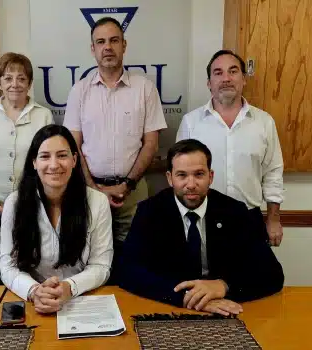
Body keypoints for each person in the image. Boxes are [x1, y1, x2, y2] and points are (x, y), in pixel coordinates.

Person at [118, 139, 284, 316]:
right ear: (170, 178)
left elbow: (272, 273)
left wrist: (224, 285)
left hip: (225, 310)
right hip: (169, 309)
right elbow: (128, 271)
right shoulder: (150, 212)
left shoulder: (234, 211)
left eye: (199, 174)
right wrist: (187, 297)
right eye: (182, 175)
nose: (190, 184)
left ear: (210, 177)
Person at [63, 17, 167, 271]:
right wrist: (94, 188)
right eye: (100, 42)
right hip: (89, 191)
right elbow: (72, 146)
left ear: (124, 45)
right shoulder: (79, 91)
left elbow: (151, 144)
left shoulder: (144, 89)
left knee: (135, 261)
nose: (107, 47)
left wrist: (127, 185)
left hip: (134, 193)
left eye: (113, 40)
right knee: (89, 261)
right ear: (93, 49)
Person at [0, 125, 113, 313]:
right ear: (34, 162)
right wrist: (35, 291)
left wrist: (69, 287)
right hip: (32, 302)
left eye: (62, 155)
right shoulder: (14, 203)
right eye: (45, 156)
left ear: (74, 160)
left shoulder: (97, 202)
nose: (54, 165)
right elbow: (8, 265)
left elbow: (101, 266)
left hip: (80, 299)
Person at [177, 50, 284, 246]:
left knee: (251, 276)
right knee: (204, 276)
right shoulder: (191, 123)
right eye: (218, 73)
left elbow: (273, 173)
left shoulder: (264, 122)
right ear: (209, 83)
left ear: (243, 79)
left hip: (249, 218)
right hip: (202, 218)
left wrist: (274, 219)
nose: (226, 78)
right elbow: (180, 175)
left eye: (233, 71)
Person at [0, 53, 53, 285]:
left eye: (21, 78)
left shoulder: (43, 115)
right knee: (1, 263)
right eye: (8, 78)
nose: (14, 84)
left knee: (36, 262)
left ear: (29, 83)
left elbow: (49, 163)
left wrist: (31, 198)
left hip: (34, 205)